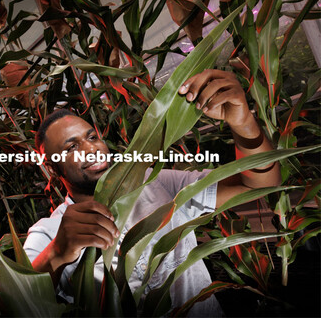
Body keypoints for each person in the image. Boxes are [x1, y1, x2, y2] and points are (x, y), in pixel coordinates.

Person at [23, 69, 281, 316]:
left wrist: (243, 120)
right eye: (71, 147)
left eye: (92, 137)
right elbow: (15, 305)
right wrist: (57, 252)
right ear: (51, 167)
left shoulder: (158, 183)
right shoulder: (48, 232)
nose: (91, 149)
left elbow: (258, 185)